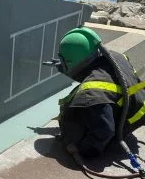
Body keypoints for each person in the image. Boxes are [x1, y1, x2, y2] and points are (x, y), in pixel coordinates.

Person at [55, 27, 145, 160]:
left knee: (73, 118)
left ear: (71, 61)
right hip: (136, 107)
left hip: (125, 123)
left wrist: (83, 150)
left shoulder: (92, 91)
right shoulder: (117, 57)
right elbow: (90, 70)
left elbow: (105, 131)